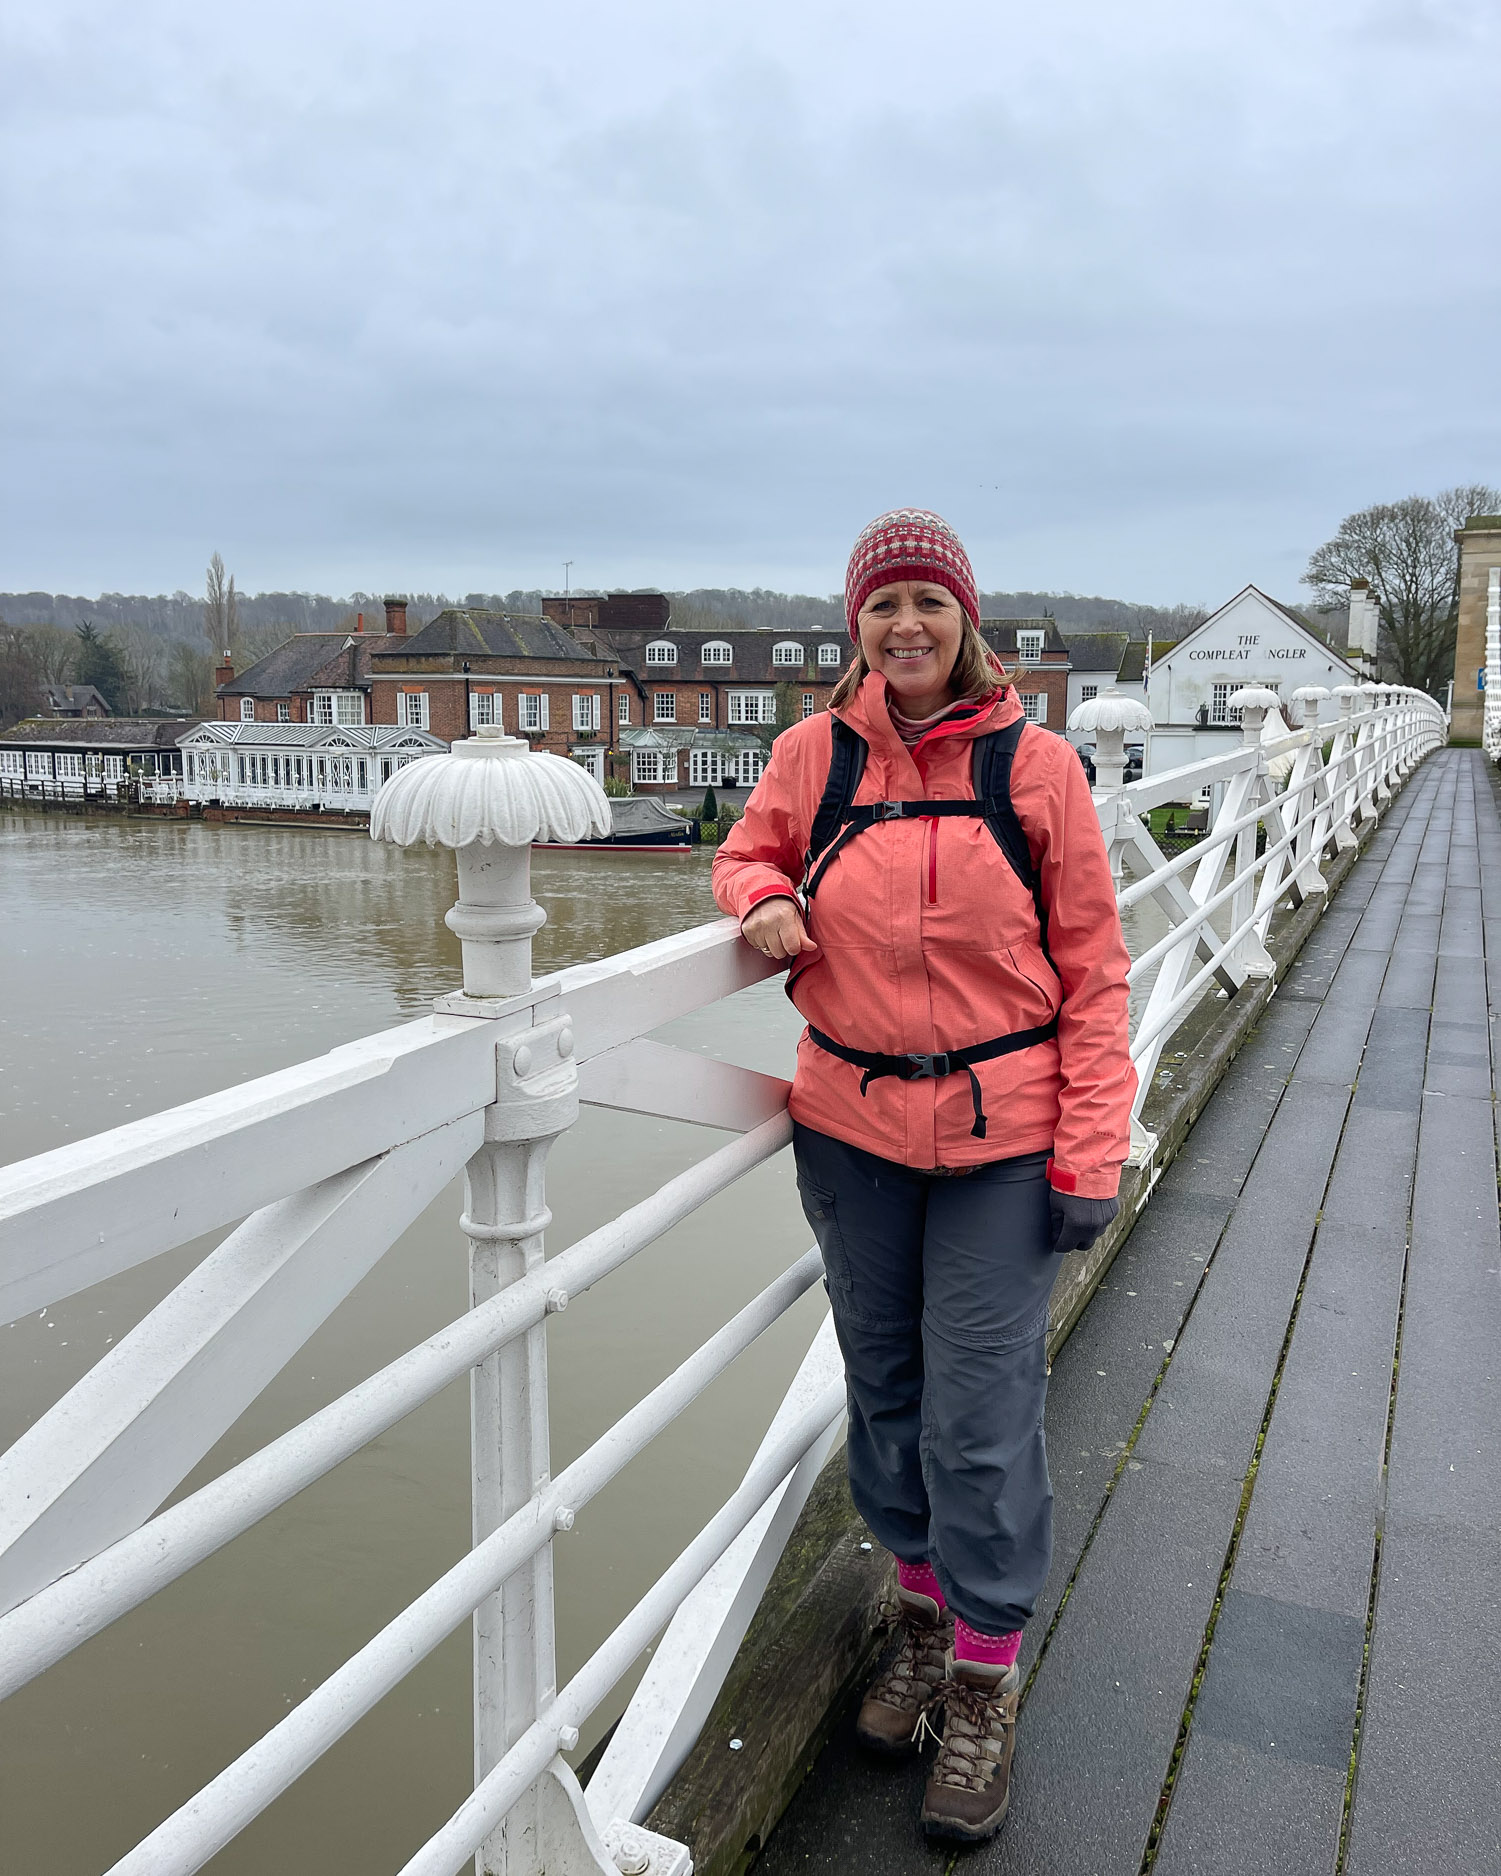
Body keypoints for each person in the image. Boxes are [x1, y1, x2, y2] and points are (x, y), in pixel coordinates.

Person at [712, 510, 1135, 1844]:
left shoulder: (1036, 767)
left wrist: (1088, 1151)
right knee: (883, 1386)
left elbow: (1093, 972)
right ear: (856, 624)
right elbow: (744, 850)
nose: (904, 628)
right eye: (882, 606)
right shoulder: (811, 754)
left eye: (927, 606)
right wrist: (758, 900)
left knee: (982, 1409)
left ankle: (983, 1673)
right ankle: (915, 1612)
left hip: (1003, 1142)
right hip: (850, 1130)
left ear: (965, 623)